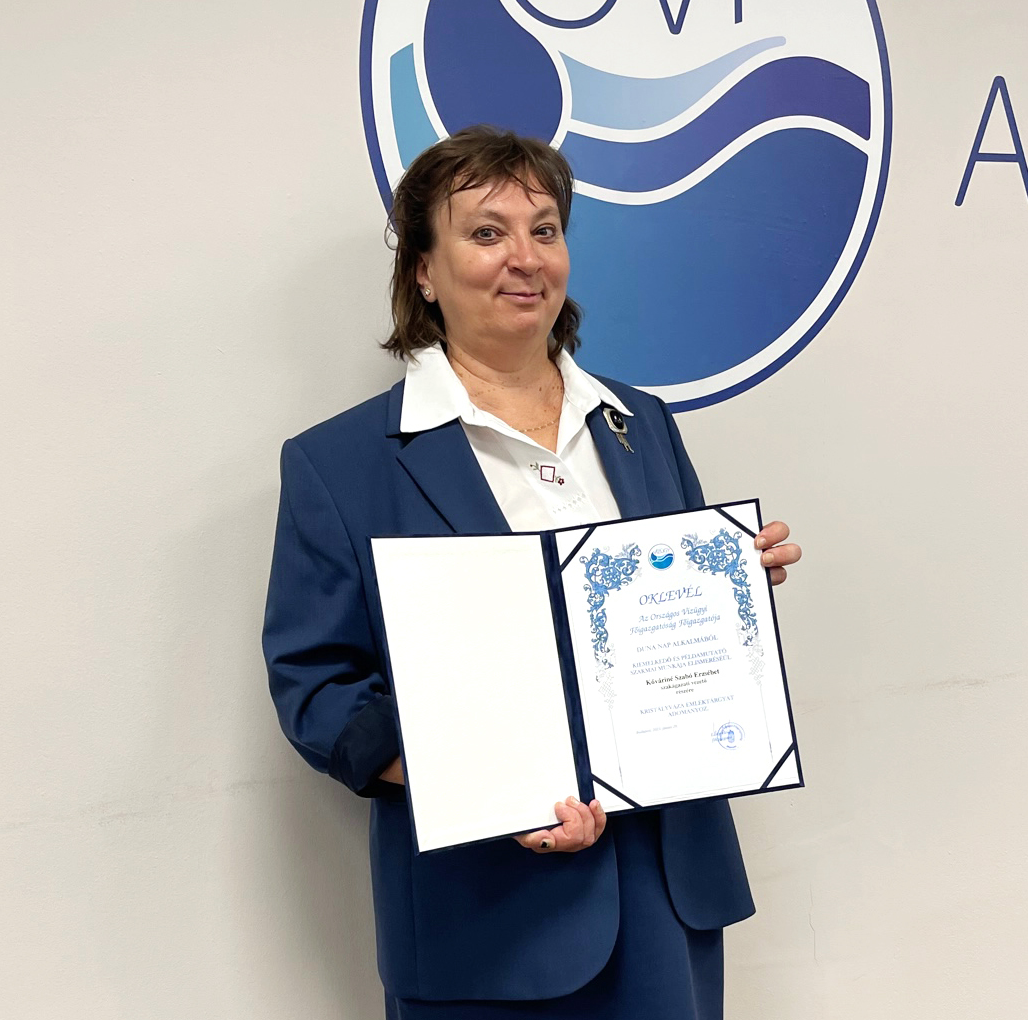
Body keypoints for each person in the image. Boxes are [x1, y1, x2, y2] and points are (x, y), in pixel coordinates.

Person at [262, 126, 802, 1019]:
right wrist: (489, 783)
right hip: (484, 916)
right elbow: (318, 692)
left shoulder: (642, 424)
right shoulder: (341, 463)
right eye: (486, 232)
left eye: (544, 229)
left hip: (664, 887)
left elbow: (664, 645)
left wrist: (731, 594)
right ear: (424, 271)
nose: (525, 257)